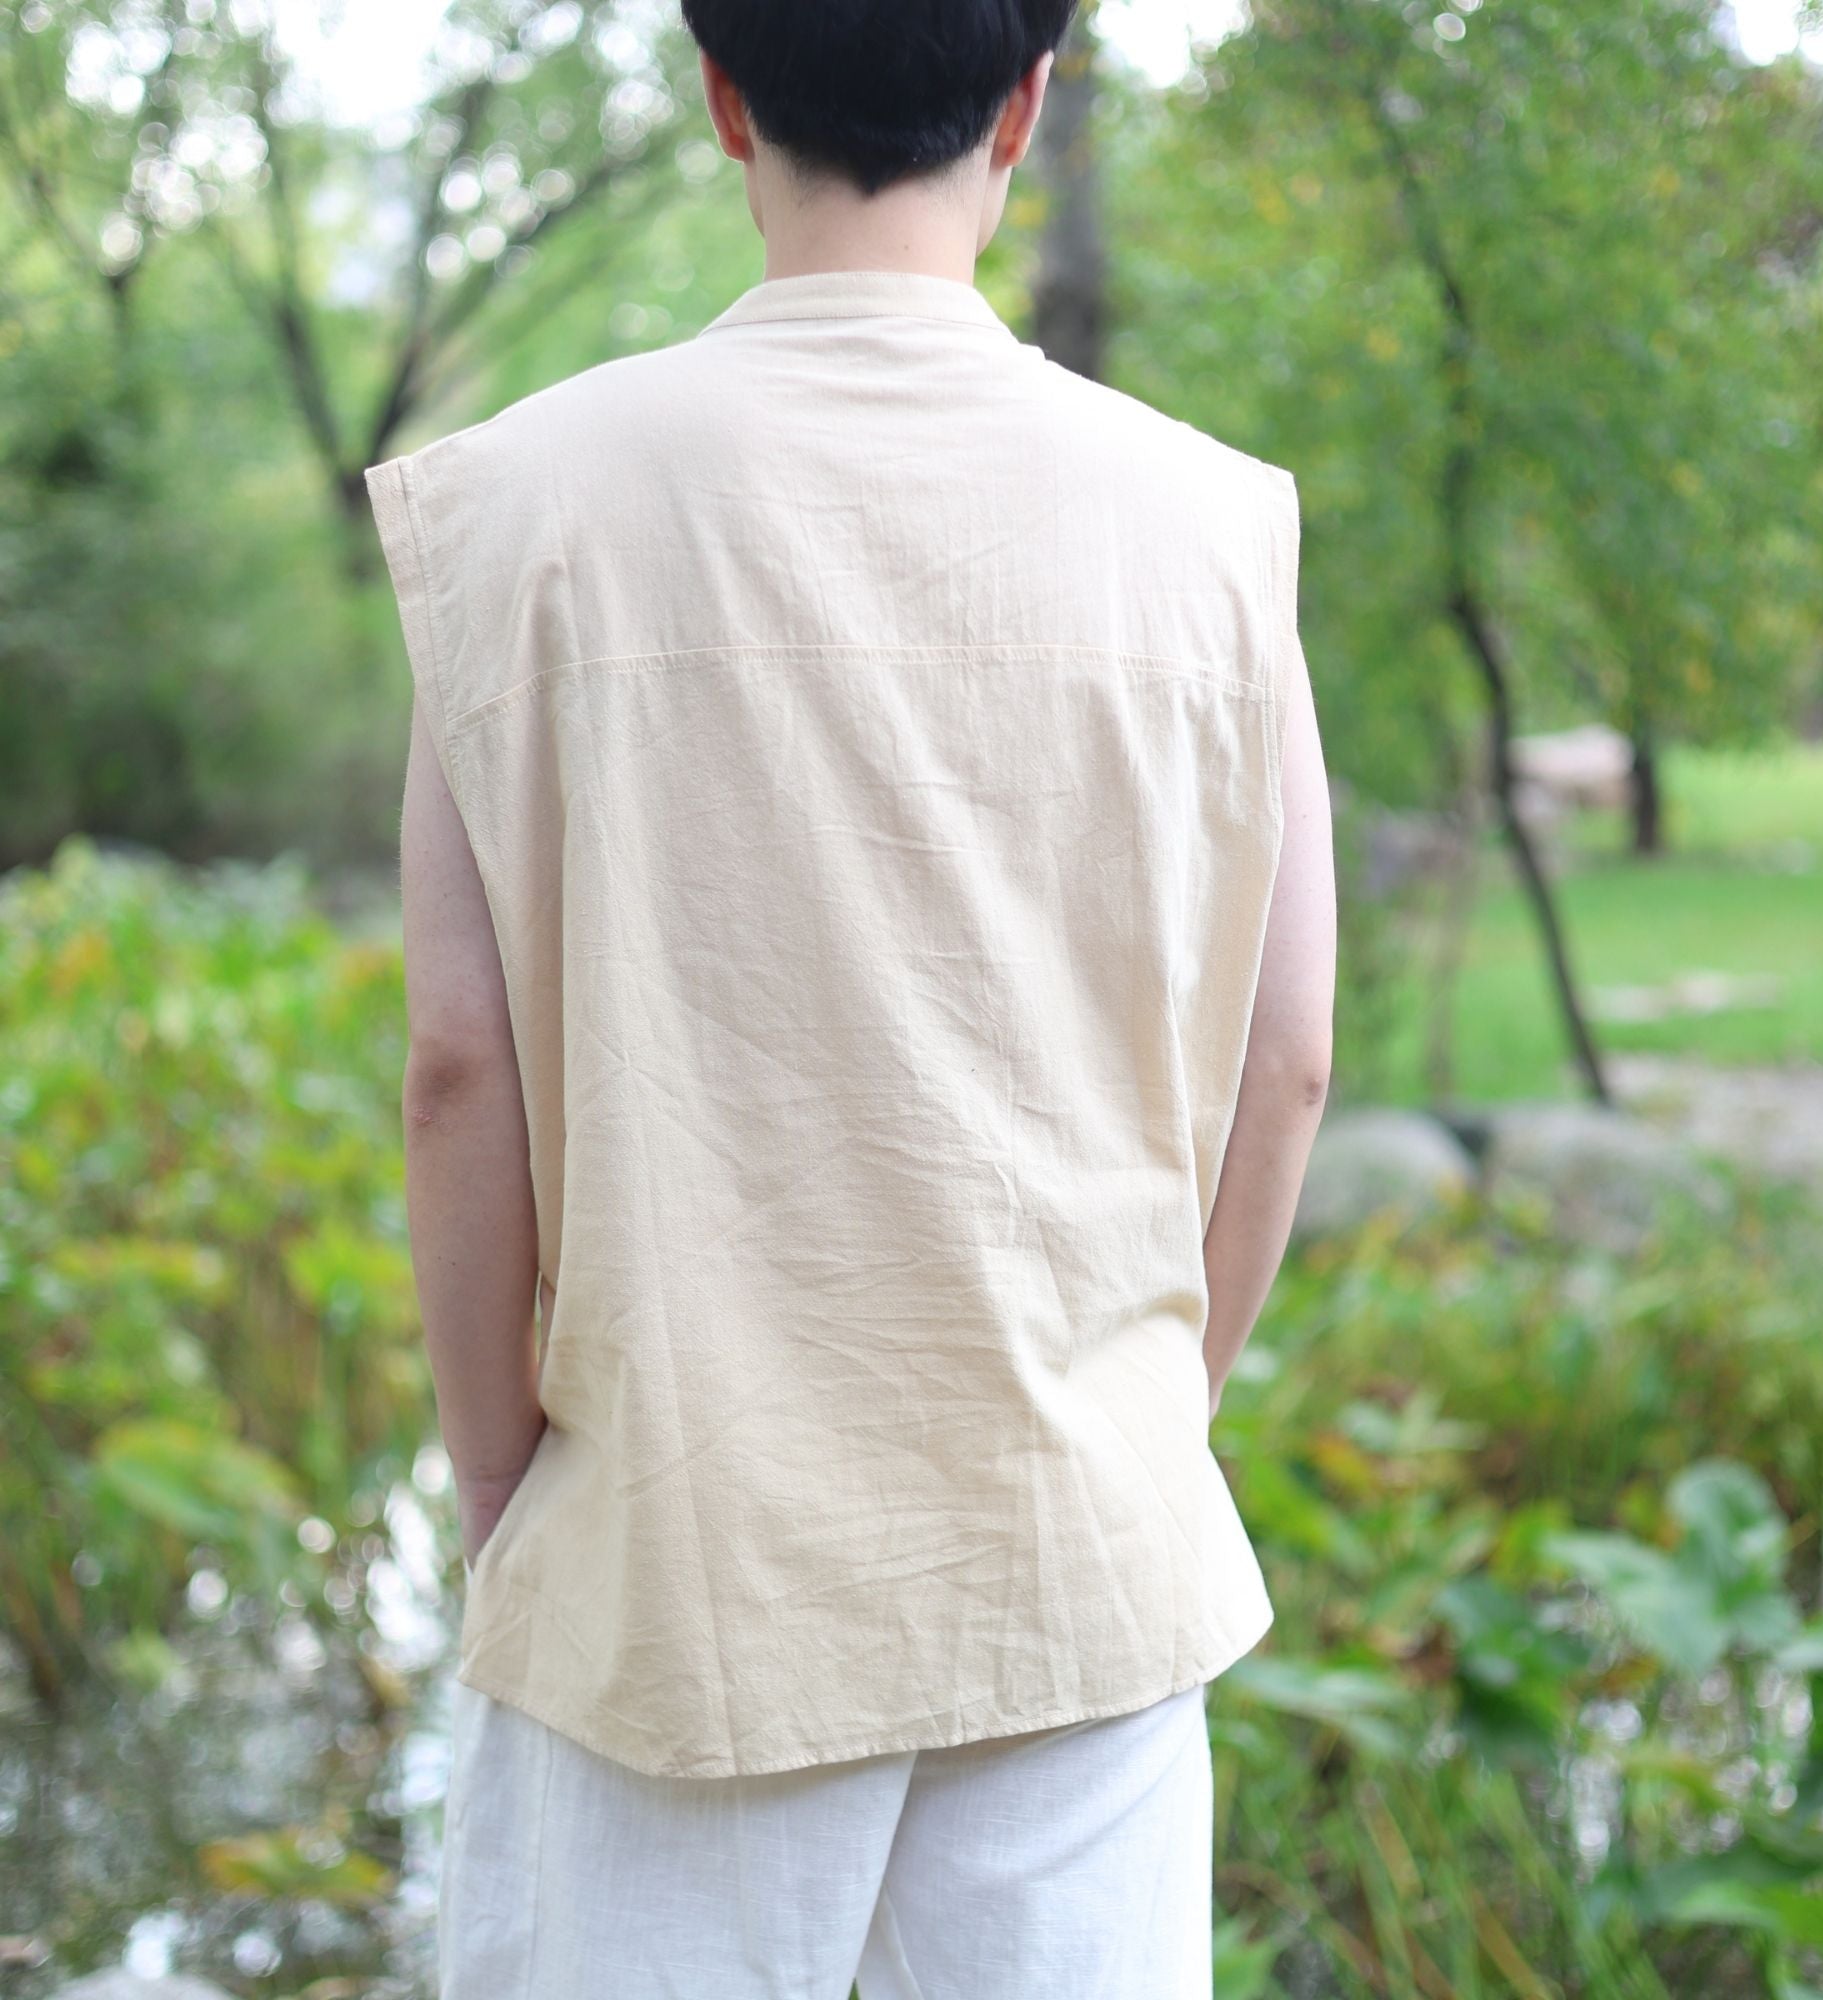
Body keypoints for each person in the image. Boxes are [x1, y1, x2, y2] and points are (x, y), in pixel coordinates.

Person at [368, 1, 1337, 1994]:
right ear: (1027, 104)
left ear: (723, 97)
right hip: (1076, 1564)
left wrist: (501, 1486)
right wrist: (1145, 1408)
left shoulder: (520, 509)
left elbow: (459, 1069)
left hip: (666, 1580)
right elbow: (1290, 1059)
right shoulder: (1212, 529)